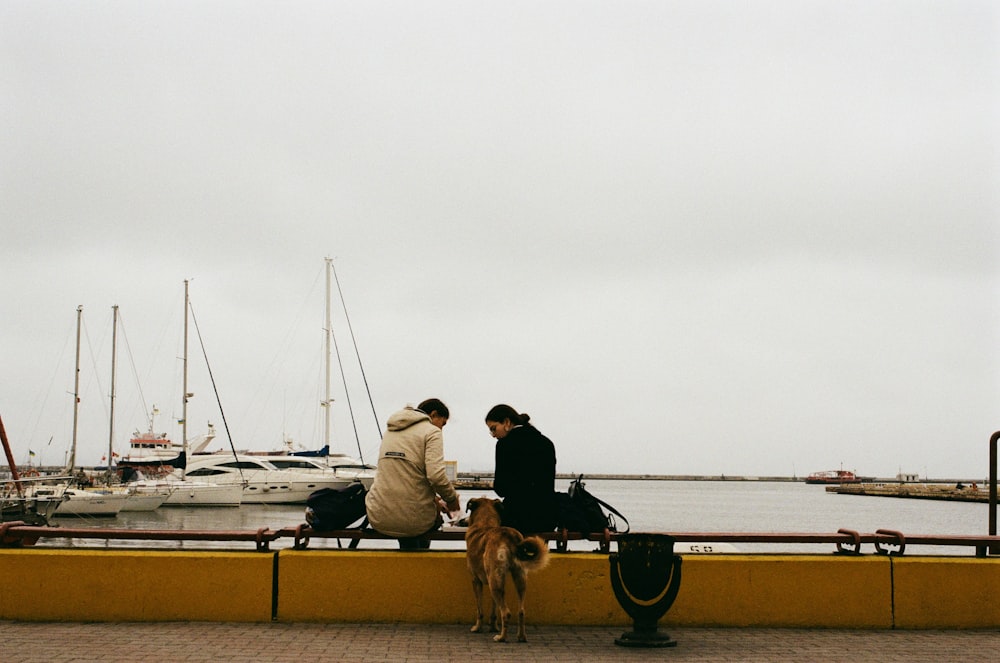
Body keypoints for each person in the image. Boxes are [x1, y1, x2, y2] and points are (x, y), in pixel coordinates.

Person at [365, 398, 461, 550]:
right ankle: (419, 568)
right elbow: (435, 475)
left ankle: (409, 567)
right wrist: (451, 499)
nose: (441, 429)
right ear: (434, 414)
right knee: (421, 523)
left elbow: (404, 477)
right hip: (413, 521)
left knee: (408, 521)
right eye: (443, 424)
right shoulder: (432, 432)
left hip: (378, 516)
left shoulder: (390, 430)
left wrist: (434, 499)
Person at [485, 403, 557, 535]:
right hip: (546, 518)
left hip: (516, 519)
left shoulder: (504, 445)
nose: (493, 435)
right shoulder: (546, 443)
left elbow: (501, 488)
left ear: (507, 422)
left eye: (494, 429)